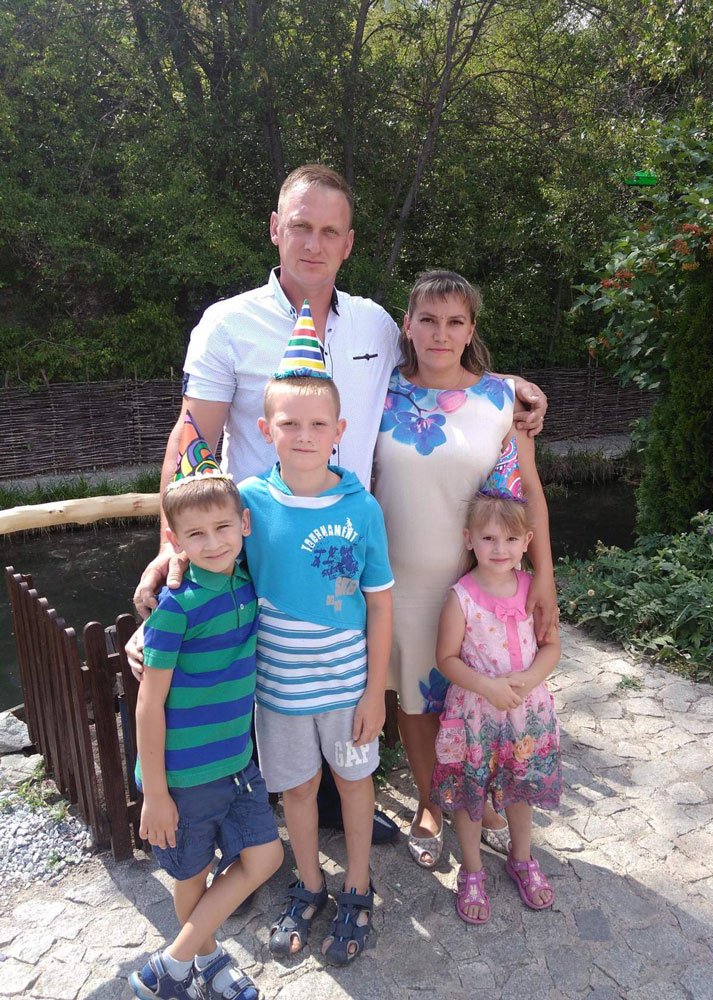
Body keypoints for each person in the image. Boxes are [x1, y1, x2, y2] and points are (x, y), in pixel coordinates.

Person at [131, 166, 549, 842]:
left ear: (349, 243)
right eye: (301, 226)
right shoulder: (227, 325)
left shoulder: (374, 324)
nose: (314, 243)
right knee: (242, 677)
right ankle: (225, 820)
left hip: (350, 542)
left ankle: (334, 803)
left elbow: (436, 364)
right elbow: (190, 437)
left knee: (342, 674)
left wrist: (508, 384)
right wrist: (168, 544)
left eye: (330, 231)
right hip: (258, 544)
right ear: (276, 228)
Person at [373, 270, 558, 870]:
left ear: (471, 329)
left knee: (479, 701)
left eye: (455, 321)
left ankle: (480, 803)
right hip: (398, 582)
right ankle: (431, 803)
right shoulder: (379, 392)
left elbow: (530, 492)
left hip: (478, 588)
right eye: (428, 320)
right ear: (407, 325)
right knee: (416, 702)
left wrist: (545, 577)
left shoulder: (501, 400)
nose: (440, 333)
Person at [237, 329, 393, 964]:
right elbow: (206, 562)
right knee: (297, 790)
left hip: (346, 687)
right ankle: (308, 883)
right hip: (278, 690)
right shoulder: (247, 504)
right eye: (289, 423)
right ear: (266, 428)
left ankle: (357, 886)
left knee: (354, 784)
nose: (304, 436)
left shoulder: (362, 508)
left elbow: (379, 602)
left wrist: (375, 693)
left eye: (318, 424)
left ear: (339, 430)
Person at [130, 418, 283, 1000]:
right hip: (184, 776)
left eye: (223, 527)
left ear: (243, 523)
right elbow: (149, 703)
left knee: (265, 856)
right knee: (192, 872)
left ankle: (170, 965)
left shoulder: (246, 579)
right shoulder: (177, 607)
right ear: (176, 540)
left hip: (237, 763)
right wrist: (155, 793)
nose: (214, 542)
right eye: (196, 534)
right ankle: (206, 963)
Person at [431, 464, 562, 922]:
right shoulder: (461, 597)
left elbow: (551, 646)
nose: (500, 548)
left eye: (510, 539)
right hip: (474, 716)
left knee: (520, 790)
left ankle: (521, 857)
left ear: (527, 542)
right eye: (488, 538)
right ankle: (471, 869)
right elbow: (446, 658)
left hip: (527, 713)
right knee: (471, 794)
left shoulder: (533, 592)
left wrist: (528, 679)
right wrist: (487, 685)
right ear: (469, 539)